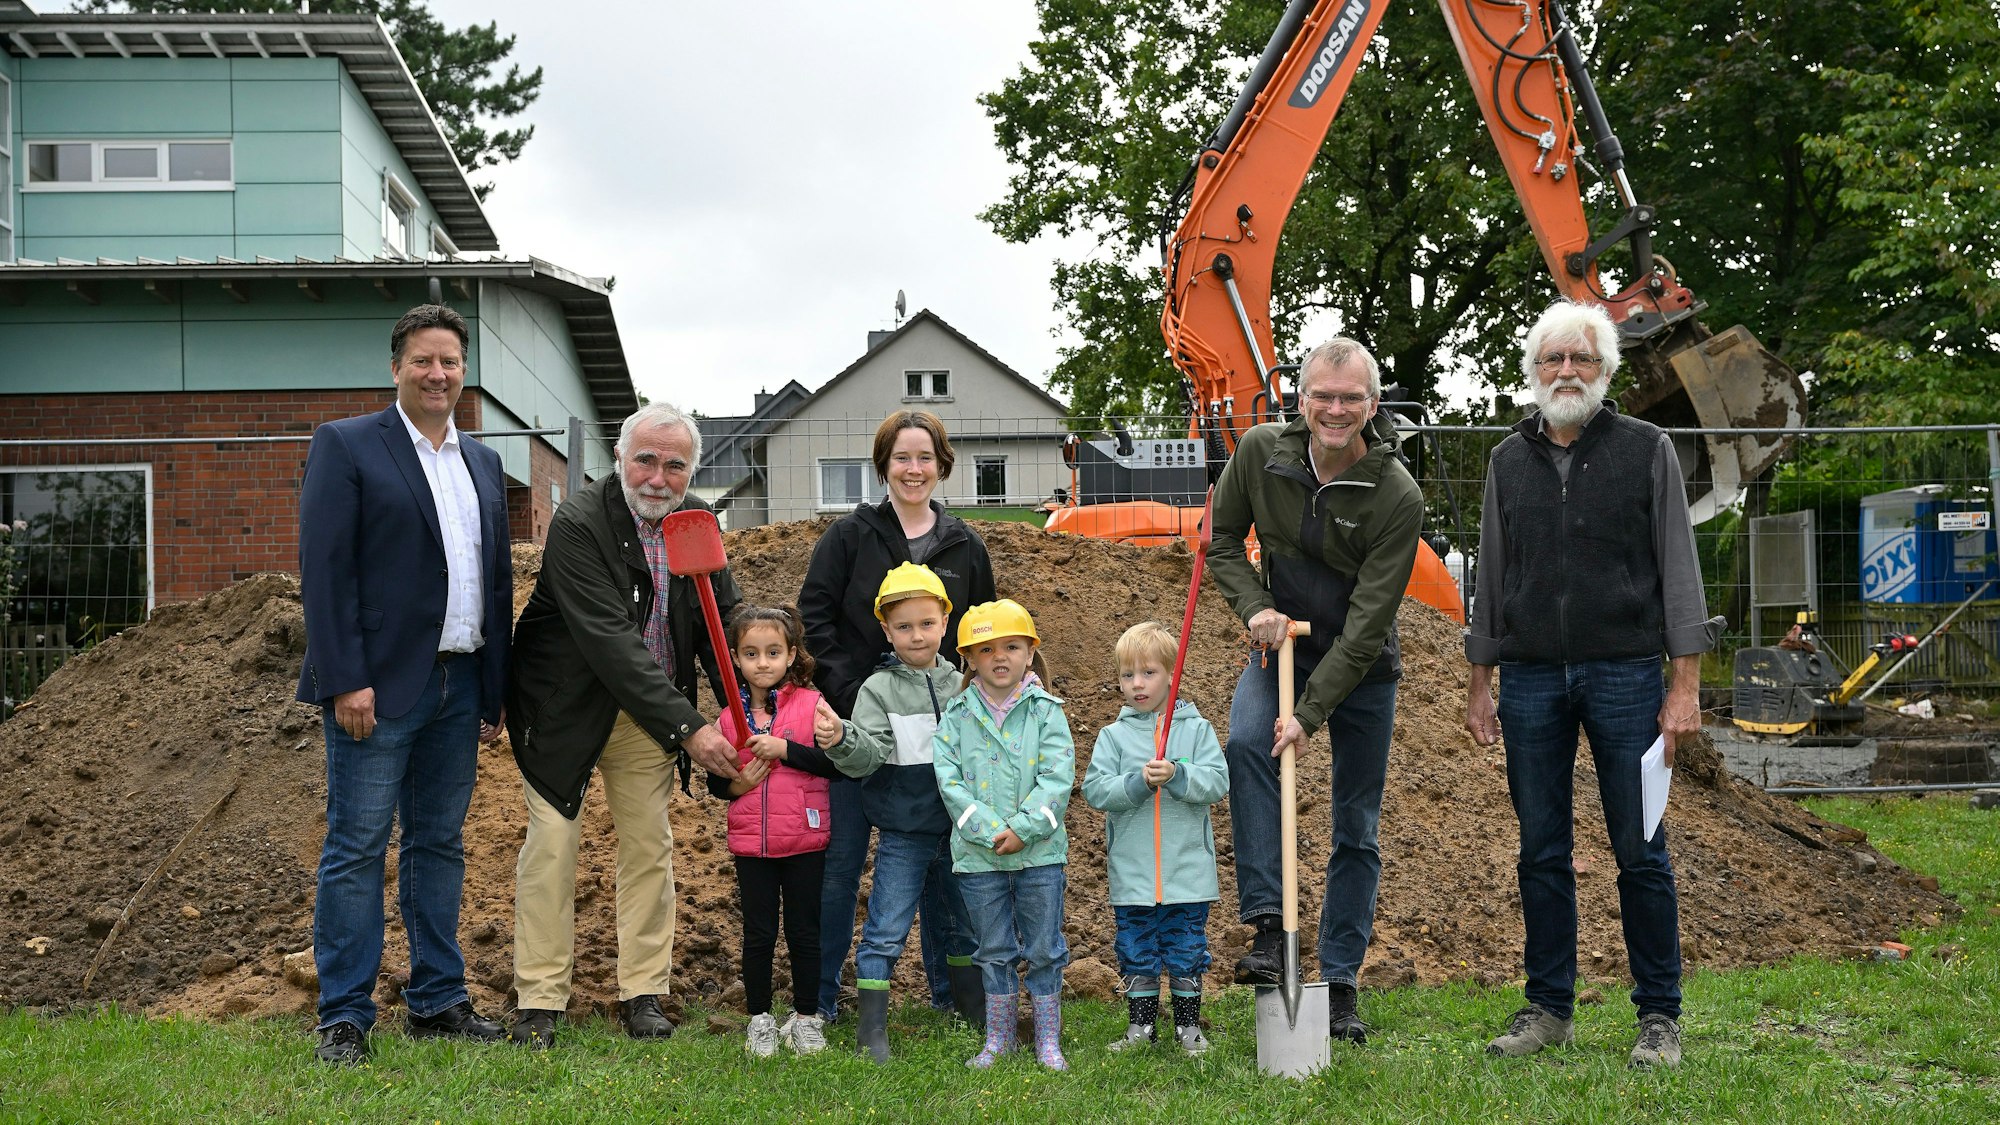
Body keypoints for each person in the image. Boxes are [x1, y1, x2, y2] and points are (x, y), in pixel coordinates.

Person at [1463, 300, 1717, 1070]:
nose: (1566, 372)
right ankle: (1549, 1008)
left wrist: (1684, 685)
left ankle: (1659, 1016)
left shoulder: (1647, 450)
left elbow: (1679, 567)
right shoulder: (1509, 460)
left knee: (1641, 847)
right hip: (1532, 677)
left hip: (1626, 674)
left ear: (1605, 371)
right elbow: (1492, 575)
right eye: (1553, 359)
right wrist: (1482, 679)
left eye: (1581, 359)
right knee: (1540, 849)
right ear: (1534, 373)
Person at [296, 302, 513, 1065]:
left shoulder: (482, 462)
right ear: (396, 367)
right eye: (423, 359)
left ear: (463, 372)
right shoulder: (349, 445)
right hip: (377, 692)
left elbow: (497, 580)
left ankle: (436, 999)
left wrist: (493, 690)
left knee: (438, 845)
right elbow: (325, 574)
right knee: (356, 847)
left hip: (460, 685)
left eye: (450, 361)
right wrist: (344, 678)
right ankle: (345, 1014)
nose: (437, 373)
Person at [503, 401, 743, 1049]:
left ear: (691, 470)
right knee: (552, 845)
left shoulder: (696, 525)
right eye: (645, 459)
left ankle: (643, 992)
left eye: (675, 465)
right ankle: (540, 999)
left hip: (649, 712)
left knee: (649, 845)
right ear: (618, 459)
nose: (658, 477)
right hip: (565, 708)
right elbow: (609, 640)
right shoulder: (580, 522)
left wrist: (747, 712)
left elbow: (727, 623)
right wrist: (694, 728)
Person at [1208, 336, 1424, 1046]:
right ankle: (1272, 929)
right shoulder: (1260, 455)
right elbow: (1222, 543)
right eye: (1323, 396)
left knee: (1355, 826)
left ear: (1372, 403)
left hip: (1361, 668)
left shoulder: (1396, 493)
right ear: (1300, 398)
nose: (1336, 409)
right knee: (1245, 742)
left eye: (1351, 397)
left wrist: (1306, 713)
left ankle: (1341, 982)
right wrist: (1254, 609)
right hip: (1285, 645)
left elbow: (1367, 627)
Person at [799, 410, 995, 1022]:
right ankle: (823, 1001)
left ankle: (949, 998)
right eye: (902, 458)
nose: (914, 469)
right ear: (883, 465)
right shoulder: (850, 537)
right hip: (862, 733)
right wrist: (858, 694)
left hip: (939, 743)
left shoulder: (965, 545)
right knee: (841, 868)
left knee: (945, 870)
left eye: (925, 457)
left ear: (942, 465)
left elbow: (983, 628)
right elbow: (815, 616)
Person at [819, 563, 980, 1062]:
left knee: (965, 926)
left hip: (959, 833)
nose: (917, 635)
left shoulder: (963, 684)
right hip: (904, 834)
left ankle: (970, 1015)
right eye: (904, 626)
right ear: (886, 630)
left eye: (927, 623)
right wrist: (842, 739)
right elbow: (867, 755)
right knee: (887, 926)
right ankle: (872, 1033)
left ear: (945, 623)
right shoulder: (878, 690)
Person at [934, 600, 1075, 1071]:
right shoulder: (955, 716)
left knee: (1043, 948)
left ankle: (1046, 1041)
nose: (1000, 657)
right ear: (969, 659)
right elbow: (949, 782)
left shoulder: (1048, 713)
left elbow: (1057, 779)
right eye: (986, 648)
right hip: (979, 859)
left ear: (1030, 653)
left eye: (1012, 646)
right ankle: (1000, 1038)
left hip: (1040, 856)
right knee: (993, 949)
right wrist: (992, 832)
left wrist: (1023, 829)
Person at [1082, 622, 1230, 1055]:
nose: (1137, 684)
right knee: (1136, 948)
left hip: (1187, 873)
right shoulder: (1113, 736)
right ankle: (1141, 1028)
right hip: (1134, 873)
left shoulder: (1196, 730)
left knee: (1186, 949)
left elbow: (1217, 782)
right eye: (1128, 675)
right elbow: (1095, 790)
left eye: (1147, 673)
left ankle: (1188, 1029)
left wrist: (1179, 775)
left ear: (1172, 674)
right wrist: (1136, 784)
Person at [706, 604, 844, 1058]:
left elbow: (832, 764)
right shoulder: (729, 717)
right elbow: (715, 781)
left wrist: (785, 749)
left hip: (805, 840)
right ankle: (760, 1019)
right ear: (735, 659)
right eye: (750, 653)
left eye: (772, 652)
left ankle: (805, 1019)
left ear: (790, 656)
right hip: (752, 845)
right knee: (758, 934)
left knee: (805, 932)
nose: (761, 663)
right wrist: (737, 784)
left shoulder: (813, 705)